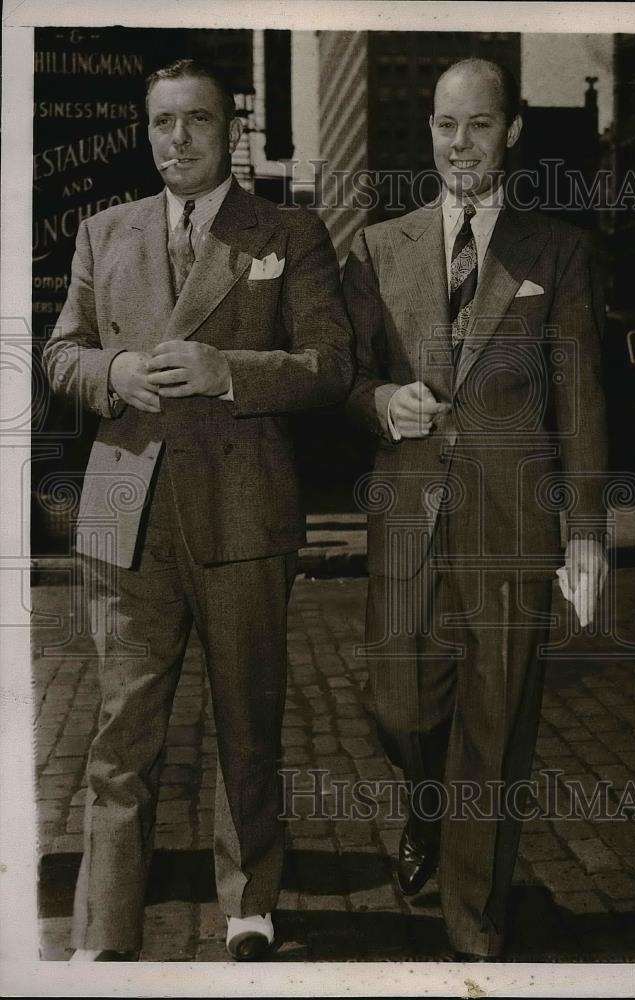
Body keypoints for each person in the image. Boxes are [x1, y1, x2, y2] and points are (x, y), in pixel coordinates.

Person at [43, 58, 353, 962]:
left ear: (231, 131)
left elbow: (330, 365)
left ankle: (249, 903)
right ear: (147, 132)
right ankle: (104, 928)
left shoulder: (290, 232)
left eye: (197, 122)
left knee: (248, 718)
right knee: (120, 728)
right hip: (123, 514)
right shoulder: (104, 233)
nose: (177, 140)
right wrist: (114, 373)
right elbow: (60, 355)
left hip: (243, 515)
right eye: (162, 123)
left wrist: (231, 373)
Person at [343, 58, 609, 960]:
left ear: (512, 132)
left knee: (494, 731)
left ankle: (474, 927)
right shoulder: (379, 247)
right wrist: (380, 399)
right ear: (429, 130)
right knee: (400, 705)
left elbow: (579, 401)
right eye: (447, 126)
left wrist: (584, 534)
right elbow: (342, 376)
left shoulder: (556, 249)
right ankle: (424, 800)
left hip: (512, 527)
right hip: (407, 519)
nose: (462, 145)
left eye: (481, 127)